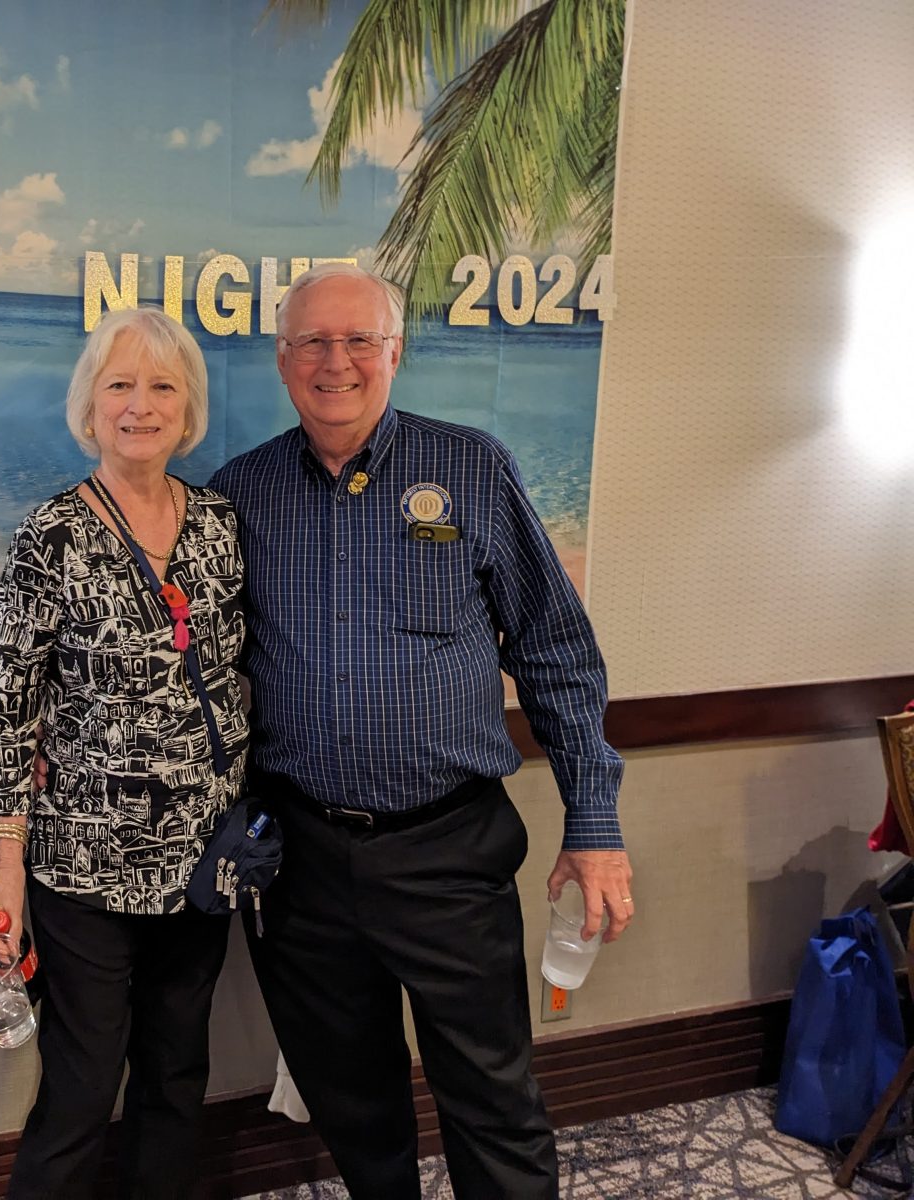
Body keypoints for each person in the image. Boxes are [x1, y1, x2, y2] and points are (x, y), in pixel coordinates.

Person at [208, 262, 635, 1200]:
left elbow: (557, 652)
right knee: (352, 1104)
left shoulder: (473, 469)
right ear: (282, 361)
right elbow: (197, 663)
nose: (337, 362)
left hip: (448, 853)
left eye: (359, 340)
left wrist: (594, 825)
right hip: (303, 863)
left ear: (395, 352)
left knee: (492, 1099)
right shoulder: (240, 493)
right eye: (313, 342)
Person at [0, 306, 250, 1200]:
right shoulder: (50, 535)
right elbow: (10, 711)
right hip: (83, 868)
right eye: (119, 385)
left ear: (188, 407)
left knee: (176, 1075)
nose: (140, 405)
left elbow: (250, 672)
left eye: (163, 386)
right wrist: (6, 871)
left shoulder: (220, 526)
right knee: (82, 1087)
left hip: (202, 861)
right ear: (89, 407)